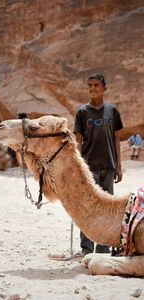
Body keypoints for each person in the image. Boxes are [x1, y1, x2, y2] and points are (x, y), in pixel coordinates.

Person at [73, 73, 123, 257]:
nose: (92, 88)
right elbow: (77, 141)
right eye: (90, 85)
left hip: (109, 167)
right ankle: (86, 249)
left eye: (96, 85)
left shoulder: (112, 110)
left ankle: (103, 248)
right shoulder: (82, 112)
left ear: (104, 88)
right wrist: (76, 167)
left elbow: (117, 138)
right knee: (87, 208)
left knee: (107, 208)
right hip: (89, 168)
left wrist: (118, 165)